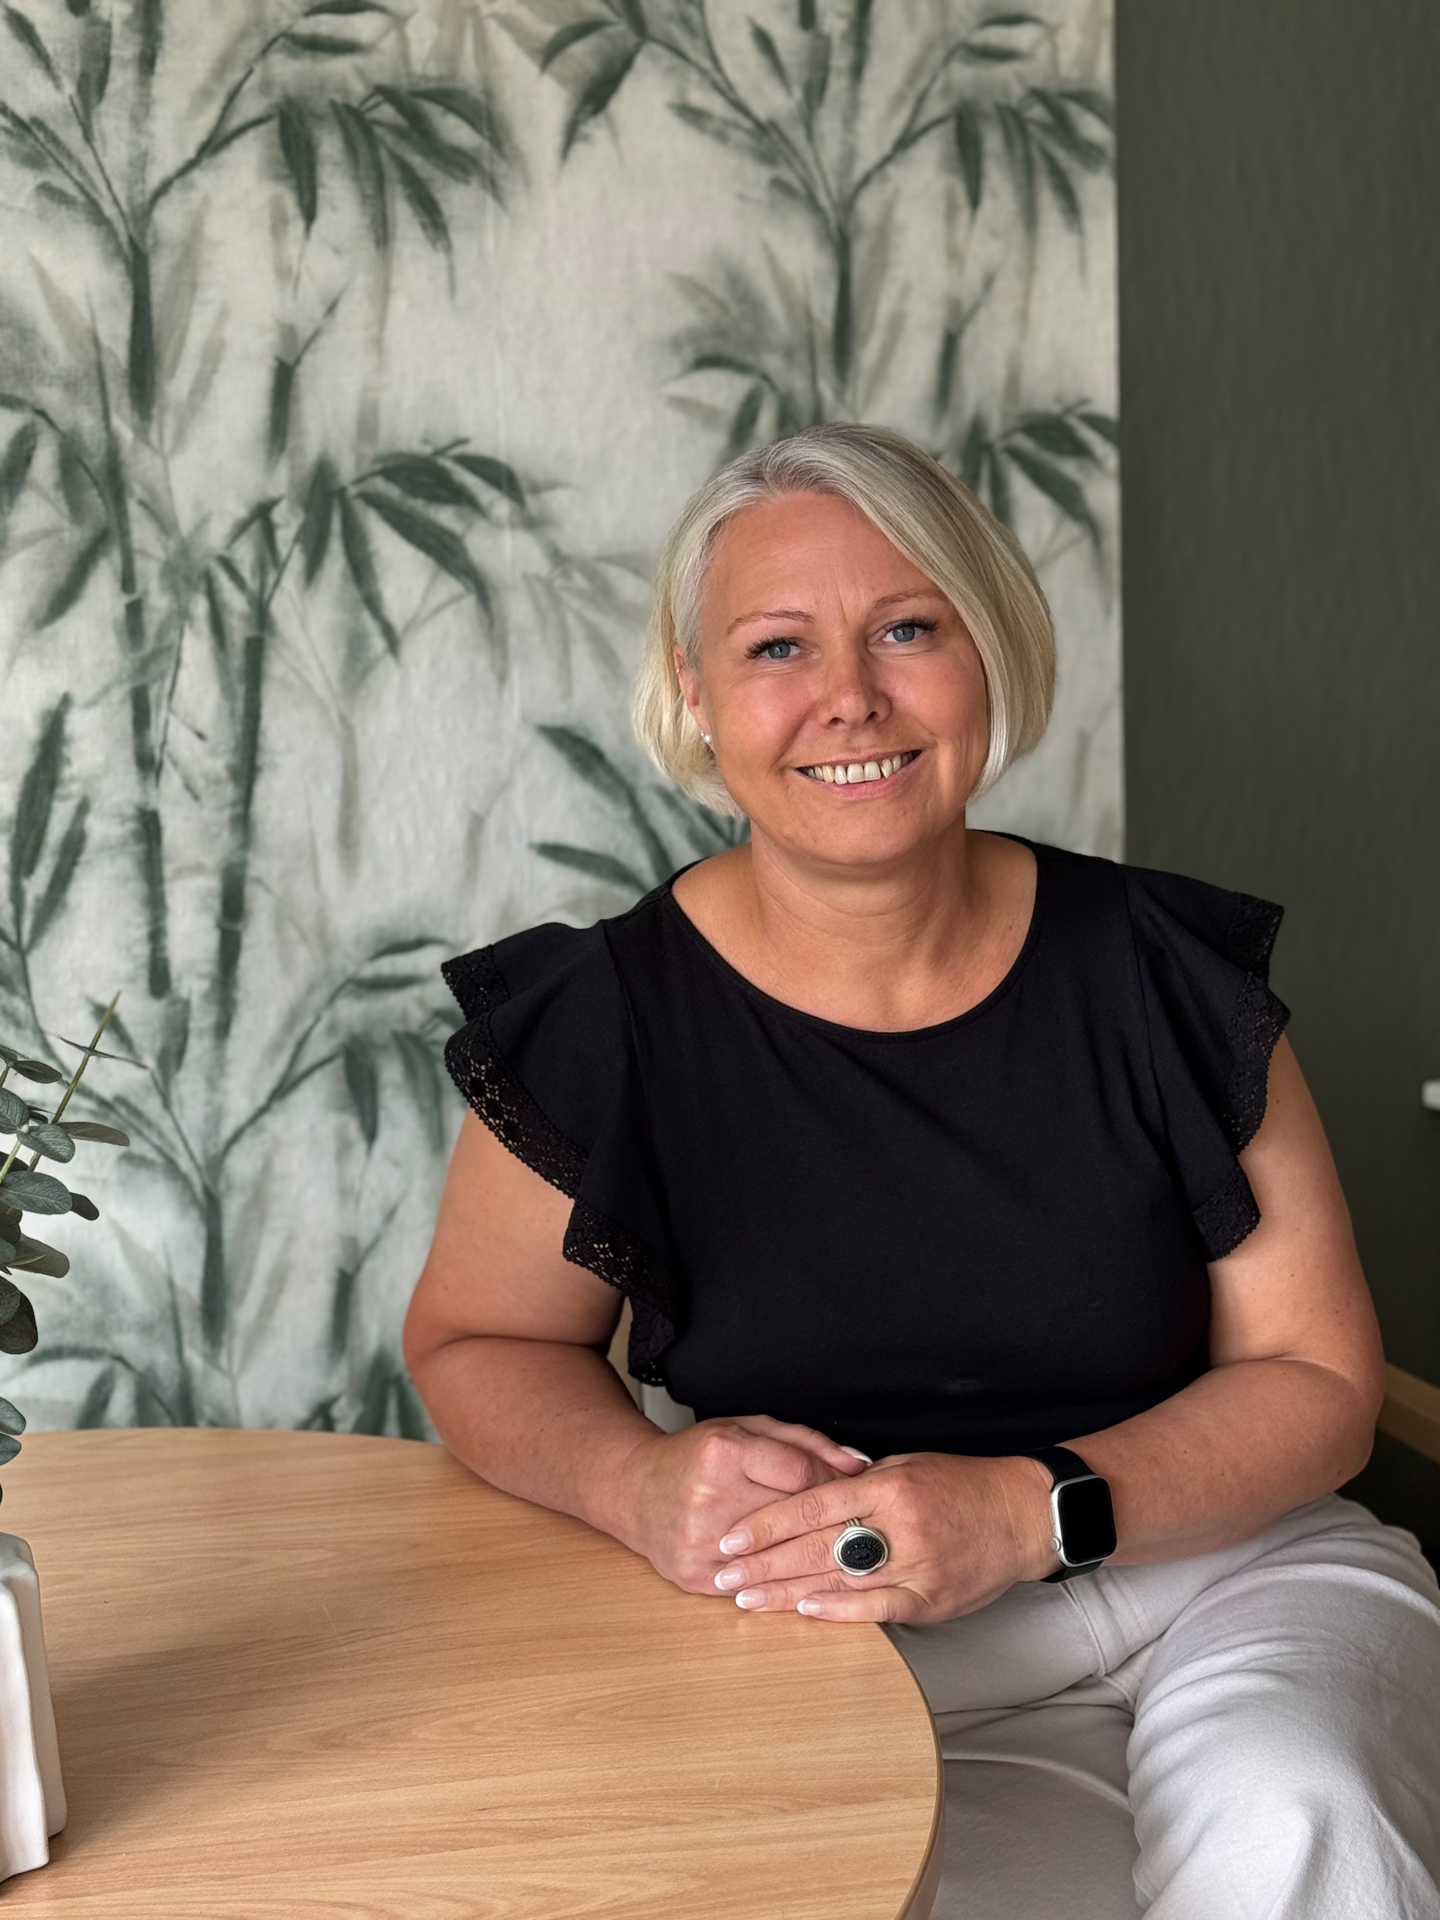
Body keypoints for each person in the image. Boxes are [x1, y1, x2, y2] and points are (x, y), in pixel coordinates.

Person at [404, 423, 1440, 1918]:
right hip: (866, 1649)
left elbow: (1321, 1379)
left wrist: (1029, 1512)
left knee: (1293, 1812)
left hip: (1235, 1576)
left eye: (908, 628)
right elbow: (477, 1342)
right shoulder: (604, 1019)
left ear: (987, 652)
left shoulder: (1162, 971)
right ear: (696, 692)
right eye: (776, 646)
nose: (850, 697)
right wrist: (637, 1483)